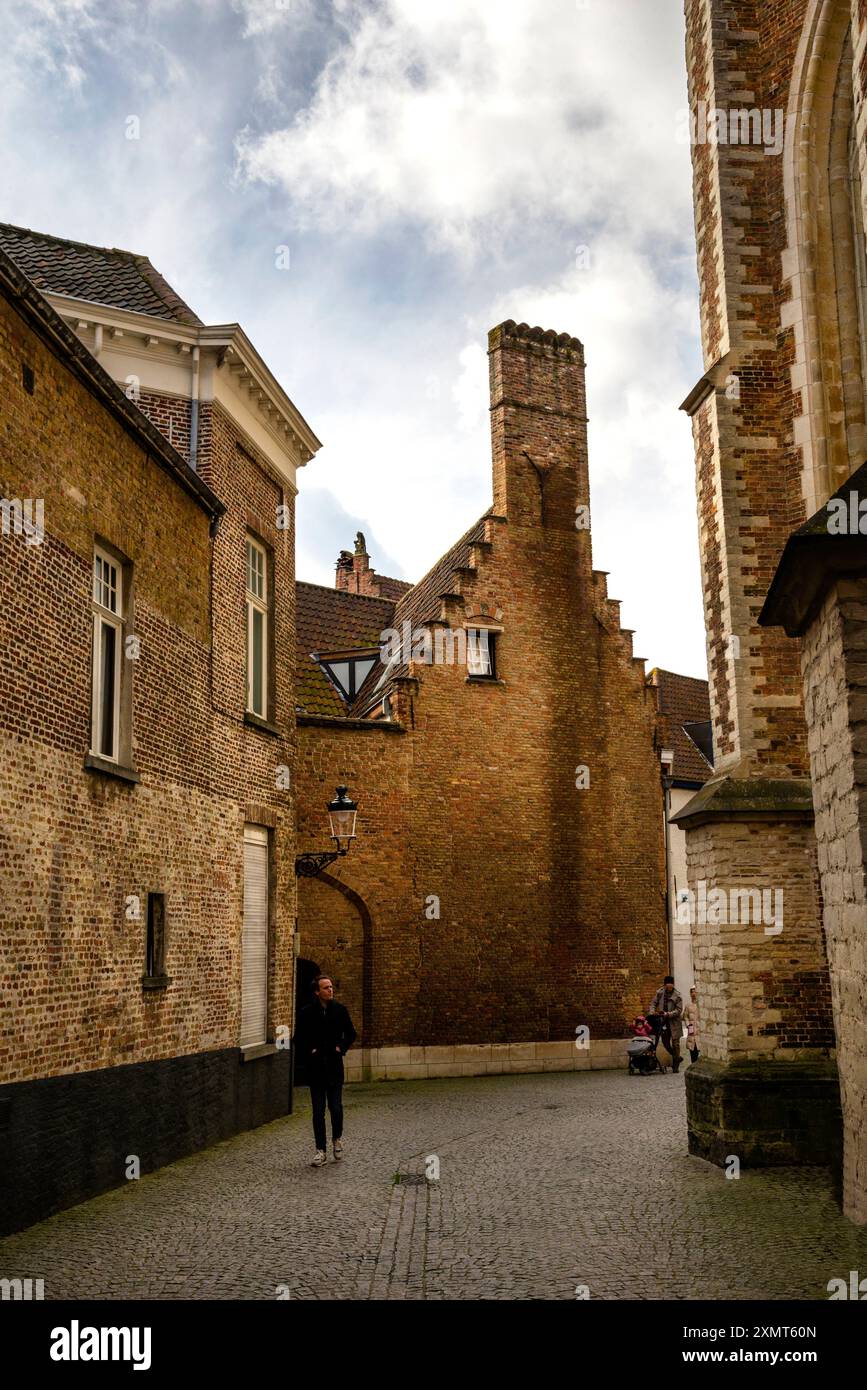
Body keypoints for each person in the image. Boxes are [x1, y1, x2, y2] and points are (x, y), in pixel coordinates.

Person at [294, 975, 357, 1167]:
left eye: (331, 987)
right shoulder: (306, 1013)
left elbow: (351, 1033)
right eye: (326, 987)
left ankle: (337, 1138)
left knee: (336, 1108)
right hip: (316, 1069)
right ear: (317, 992)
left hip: (335, 1067)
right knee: (318, 1111)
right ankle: (320, 1150)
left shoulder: (340, 1010)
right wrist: (310, 1051)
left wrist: (341, 1047)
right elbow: (299, 1038)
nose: (330, 990)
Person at [648, 975, 684, 1073]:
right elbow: (653, 1003)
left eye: (671, 985)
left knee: (676, 1043)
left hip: (674, 1023)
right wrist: (652, 1012)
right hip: (662, 1022)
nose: (669, 987)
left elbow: (679, 1010)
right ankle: (677, 1057)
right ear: (664, 985)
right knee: (665, 1042)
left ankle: (675, 1065)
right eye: (667, 985)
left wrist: (669, 1014)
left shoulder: (678, 995)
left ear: (673, 985)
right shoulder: (659, 993)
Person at [683, 986, 700, 1064]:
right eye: (692, 992)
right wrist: (688, 1024)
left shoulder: (701, 1005)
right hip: (691, 1028)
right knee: (692, 1049)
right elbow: (685, 1016)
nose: (693, 994)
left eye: (695, 992)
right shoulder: (688, 1005)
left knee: (700, 1049)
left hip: (699, 1030)